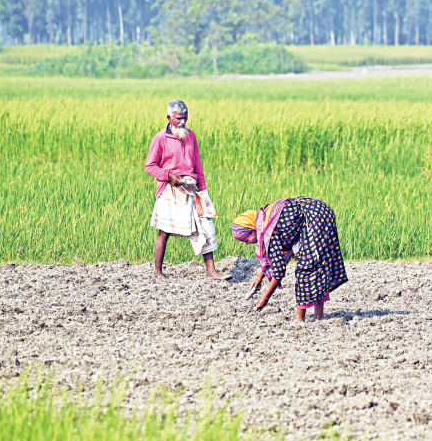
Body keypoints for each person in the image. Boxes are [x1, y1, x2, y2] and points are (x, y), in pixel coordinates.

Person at [145, 100, 229, 280]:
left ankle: (211, 271)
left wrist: (203, 190)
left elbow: (198, 165)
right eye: (178, 119)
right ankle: (158, 272)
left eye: (185, 118)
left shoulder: (191, 136)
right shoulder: (160, 138)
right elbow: (150, 166)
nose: (183, 122)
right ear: (169, 118)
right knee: (164, 231)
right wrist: (169, 176)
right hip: (170, 188)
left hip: (191, 189)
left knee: (206, 225)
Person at [232, 197, 348, 322]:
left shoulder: (268, 232)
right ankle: (318, 316)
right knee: (318, 266)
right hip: (320, 212)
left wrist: (265, 298)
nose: (247, 243)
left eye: (246, 239)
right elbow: (278, 257)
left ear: (252, 229)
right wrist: (259, 278)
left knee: (306, 268)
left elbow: (279, 271)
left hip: (315, 218)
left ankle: (299, 318)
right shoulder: (266, 219)